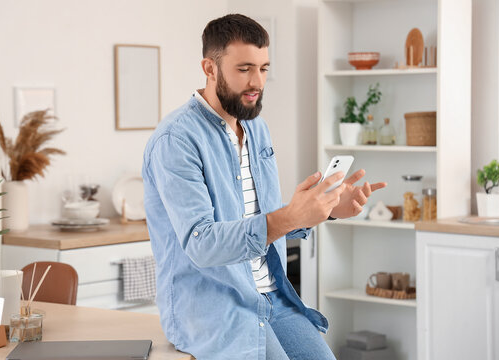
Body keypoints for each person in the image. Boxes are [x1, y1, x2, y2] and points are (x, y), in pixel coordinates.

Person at [142, 13, 386, 360]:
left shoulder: (256, 129)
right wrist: (289, 216)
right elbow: (202, 243)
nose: (257, 81)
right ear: (209, 68)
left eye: (264, 68)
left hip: (273, 297)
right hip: (217, 309)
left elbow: (264, 222)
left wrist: (323, 212)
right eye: (244, 69)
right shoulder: (176, 141)